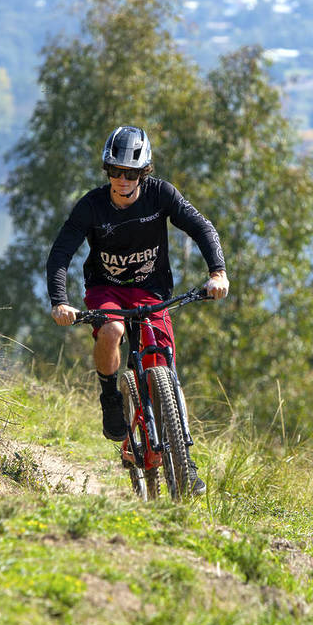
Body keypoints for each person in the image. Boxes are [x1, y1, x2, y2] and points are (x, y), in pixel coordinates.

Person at [46, 125, 229, 495]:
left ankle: (184, 461)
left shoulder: (161, 194)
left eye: (131, 173)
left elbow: (201, 227)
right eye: (116, 171)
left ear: (143, 173)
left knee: (164, 365)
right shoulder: (91, 205)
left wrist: (218, 272)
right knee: (112, 330)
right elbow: (61, 253)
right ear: (108, 171)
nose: (123, 180)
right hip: (106, 289)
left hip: (151, 290)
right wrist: (59, 301)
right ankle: (110, 396)